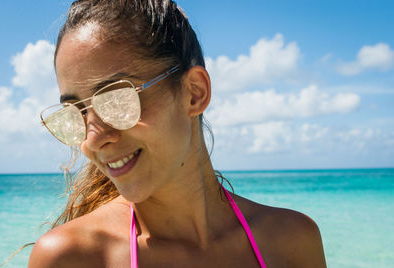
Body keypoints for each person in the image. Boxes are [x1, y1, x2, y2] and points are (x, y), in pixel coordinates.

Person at [28, 0, 327, 267]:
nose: (91, 140)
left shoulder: (292, 241)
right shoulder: (72, 258)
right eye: (76, 113)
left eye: (117, 98)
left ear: (194, 93)